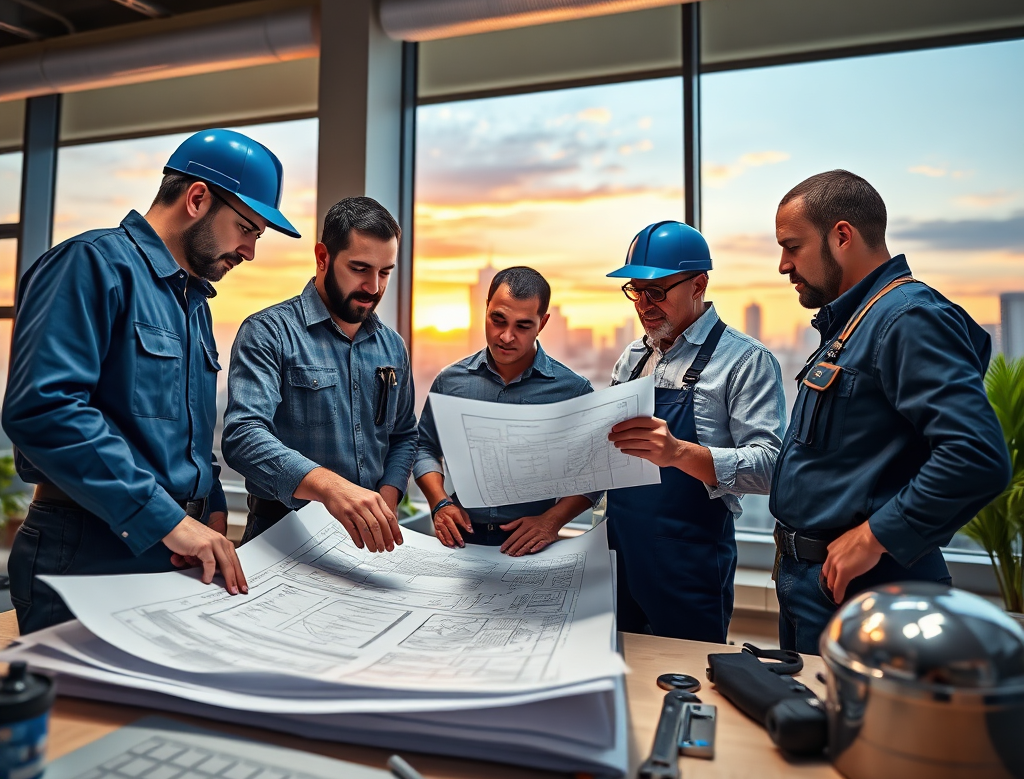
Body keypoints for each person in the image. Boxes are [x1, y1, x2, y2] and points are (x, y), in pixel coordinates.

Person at [2, 128, 301, 633]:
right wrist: (165, 518)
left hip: (172, 552)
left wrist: (207, 507)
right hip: (87, 550)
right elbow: (45, 409)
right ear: (198, 198)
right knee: (85, 712)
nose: (250, 250)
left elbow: (181, 433)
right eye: (246, 227)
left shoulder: (194, 306)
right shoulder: (91, 265)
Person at [771, 170, 1011, 653]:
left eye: (792, 247)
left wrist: (875, 536)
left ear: (842, 236)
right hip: (819, 584)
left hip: (867, 588)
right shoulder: (856, 322)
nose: (783, 265)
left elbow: (977, 455)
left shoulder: (907, 318)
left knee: (853, 728)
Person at [605, 221, 786, 643]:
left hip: (689, 566)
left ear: (698, 284)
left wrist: (678, 453)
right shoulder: (631, 358)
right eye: (636, 290)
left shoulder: (745, 361)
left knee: (685, 683)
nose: (644, 305)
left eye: (657, 292)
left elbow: (771, 467)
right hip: (619, 557)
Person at [222, 197, 414, 552]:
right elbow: (243, 437)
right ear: (323, 257)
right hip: (280, 535)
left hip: (366, 543)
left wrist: (384, 502)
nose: (374, 287)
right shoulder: (268, 332)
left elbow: (403, 435)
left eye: (385, 272)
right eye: (359, 268)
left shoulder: (393, 347)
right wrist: (331, 488)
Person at [415, 267, 597, 556]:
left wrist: (552, 521)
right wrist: (439, 502)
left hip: (533, 545)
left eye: (523, 326)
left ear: (543, 323)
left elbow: (594, 471)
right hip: (459, 540)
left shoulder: (574, 391)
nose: (506, 336)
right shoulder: (450, 382)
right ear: (485, 309)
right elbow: (423, 446)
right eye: (497, 320)